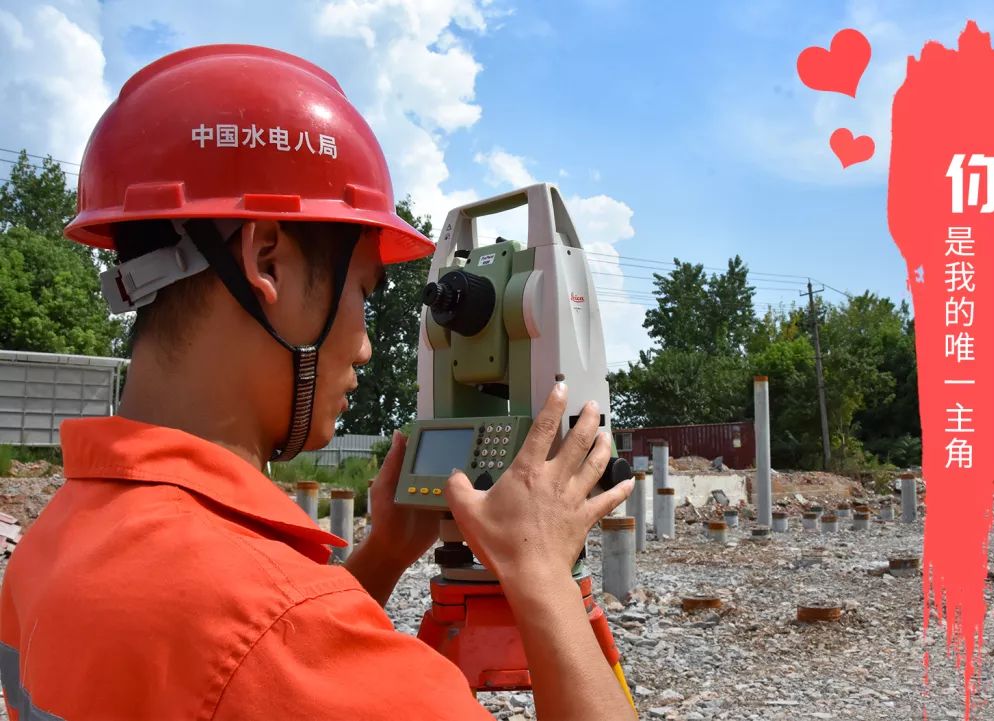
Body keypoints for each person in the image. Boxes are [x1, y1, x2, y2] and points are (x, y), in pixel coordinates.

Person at [0, 45, 636, 721]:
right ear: (266, 259)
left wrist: (386, 551)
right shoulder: (279, 629)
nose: (363, 344)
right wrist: (542, 576)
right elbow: (275, 643)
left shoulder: (52, 546)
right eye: (363, 289)